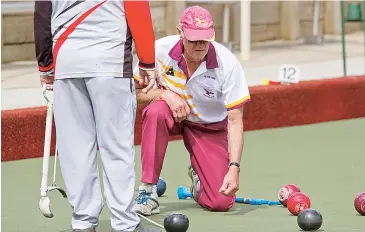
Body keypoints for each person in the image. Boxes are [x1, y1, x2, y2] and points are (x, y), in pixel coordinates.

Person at [34, 1, 161, 231]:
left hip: (67, 60)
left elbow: (42, 12)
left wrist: (45, 65)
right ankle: (125, 224)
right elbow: (137, 7)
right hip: (110, 60)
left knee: (76, 148)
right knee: (117, 146)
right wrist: (147, 60)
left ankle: (83, 222)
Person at [132, 6, 251, 216]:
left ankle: (198, 177)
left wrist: (234, 169)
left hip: (208, 127)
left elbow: (235, 121)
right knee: (155, 112)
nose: (200, 45)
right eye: (194, 39)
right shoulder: (158, 51)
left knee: (221, 202)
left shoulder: (228, 64)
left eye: (205, 39)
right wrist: (164, 95)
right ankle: (148, 190)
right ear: (180, 32)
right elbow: (135, 93)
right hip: (171, 113)